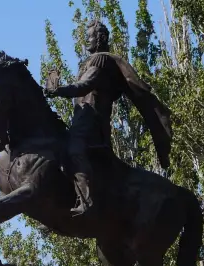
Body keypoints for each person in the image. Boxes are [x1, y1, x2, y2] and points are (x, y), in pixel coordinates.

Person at [44, 20, 172, 218]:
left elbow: (85, 86)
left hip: (92, 122)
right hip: (81, 120)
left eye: (90, 36)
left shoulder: (101, 61)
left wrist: (60, 90)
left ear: (101, 38)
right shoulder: (91, 61)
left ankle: (86, 200)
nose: (86, 40)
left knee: (73, 150)